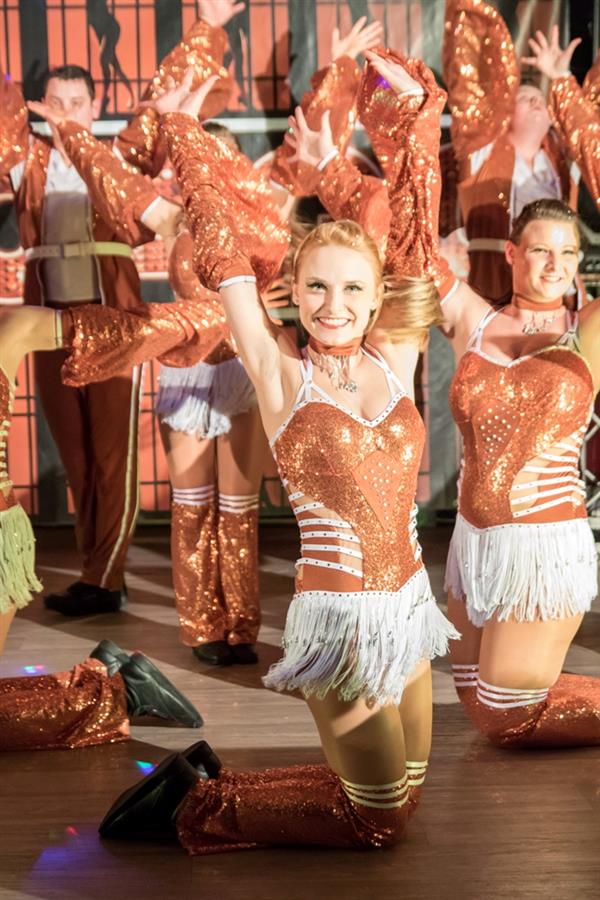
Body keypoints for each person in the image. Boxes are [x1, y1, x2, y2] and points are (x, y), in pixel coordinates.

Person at [94, 60, 457, 854]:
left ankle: (211, 782)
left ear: (376, 296)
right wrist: (183, 133)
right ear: (294, 287)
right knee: (379, 818)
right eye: (318, 288)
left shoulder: (396, 355)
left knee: (404, 793)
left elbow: (416, 233)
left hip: (408, 607)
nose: (335, 306)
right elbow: (223, 250)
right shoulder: (279, 371)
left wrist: (413, 115)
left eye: (353, 290)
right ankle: (194, 801)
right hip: (340, 619)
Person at [443, 0, 580, 302]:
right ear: (504, 113)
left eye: (541, 99)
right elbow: (467, 84)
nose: (537, 101)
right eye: (525, 97)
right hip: (492, 292)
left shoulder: (560, 162)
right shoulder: (483, 152)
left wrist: (561, 78)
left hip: (556, 293)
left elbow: (586, 130)